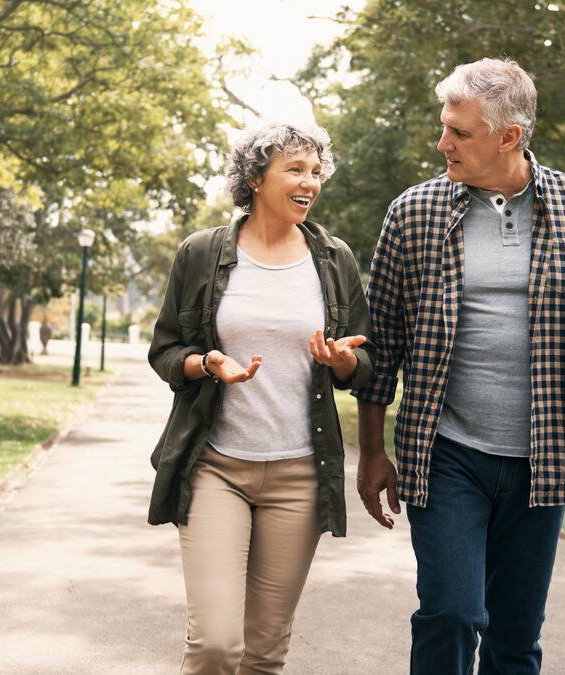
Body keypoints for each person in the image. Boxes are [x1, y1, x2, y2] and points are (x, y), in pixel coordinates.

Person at [353, 58, 565, 674]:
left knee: (514, 639)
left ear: (509, 136)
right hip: (445, 452)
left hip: (542, 461)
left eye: (459, 132)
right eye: (444, 126)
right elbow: (385, 343)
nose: (442, 141)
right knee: (450, 615)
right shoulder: (413, 213)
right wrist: (374, 449)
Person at [147, 123, 373, 674]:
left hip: (299, 474)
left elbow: (366, 362)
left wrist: (345, 362)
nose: (310, 182)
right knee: (217, 645)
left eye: (317, 171)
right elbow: (166, 350)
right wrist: (207, 363)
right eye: (294, 169)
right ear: (254, 177)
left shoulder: (334, 259)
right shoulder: (202, 254)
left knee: (265, 652)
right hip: (215, 468)